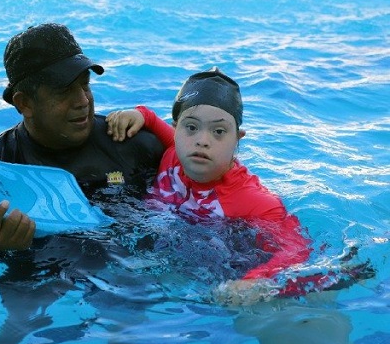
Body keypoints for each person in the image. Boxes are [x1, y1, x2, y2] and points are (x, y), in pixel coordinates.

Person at [105, 67, 313, 300]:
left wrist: (255, 279)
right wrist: (139, 114)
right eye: (191, 127)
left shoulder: (255, 201)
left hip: (214, 269)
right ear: (175, 129)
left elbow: (296, 247)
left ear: (237, 138)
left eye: (219, 132)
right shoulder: (175, 151)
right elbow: (152, 120)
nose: (202, 141)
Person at [0, 23, 164, 251]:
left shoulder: (133, 145)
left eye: (85, 85)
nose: (83, 100)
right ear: (25, 103)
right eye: (64, 91)